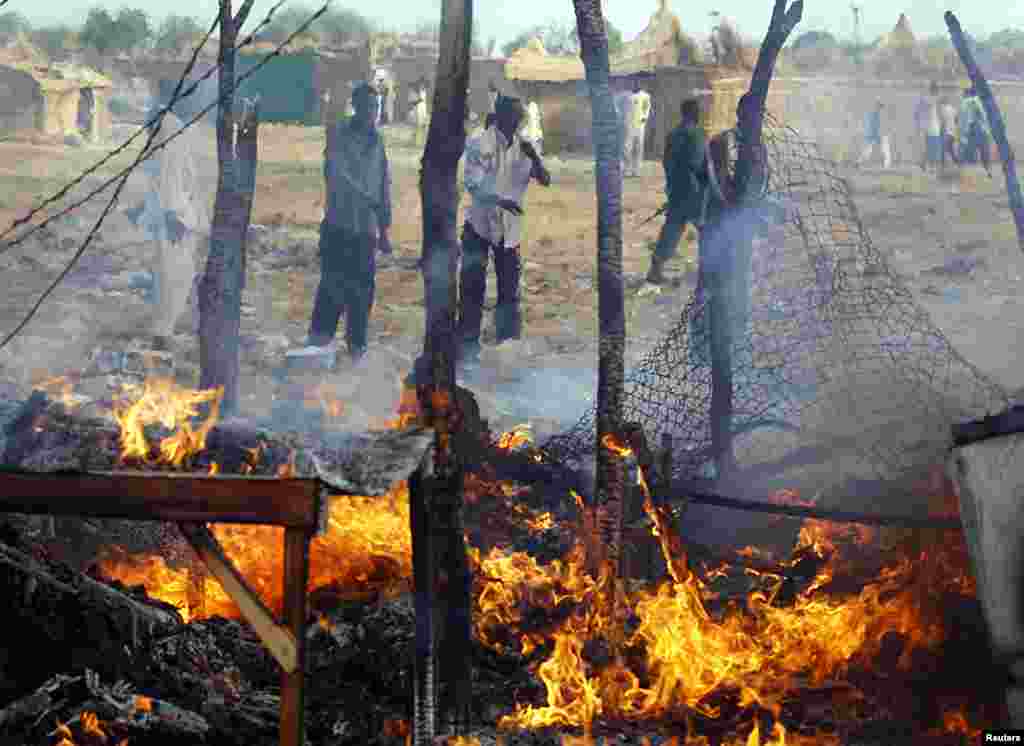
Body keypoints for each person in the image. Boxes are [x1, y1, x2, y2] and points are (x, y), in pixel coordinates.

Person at [458, 94, 551, 366]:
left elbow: (545, 180)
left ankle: (506, 343)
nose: (518, 123)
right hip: (480, 226)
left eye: (519, 119)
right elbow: (474, 184)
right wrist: (502, 200)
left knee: (509, 290)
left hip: (509, 230)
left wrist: (536, 159)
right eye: (513, 118)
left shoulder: (526, 147)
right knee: (472, 286)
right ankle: (467, 345)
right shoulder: (479, 143)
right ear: (500, 118)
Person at [306, 83, 392, 362]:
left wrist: (384, 227)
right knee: (332, 284)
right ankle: (319, 343)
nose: (372, 112)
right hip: (339, 224)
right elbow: (336, 174)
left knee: (363, 289)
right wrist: (368, 199)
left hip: (366, 229)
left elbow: (383, 184)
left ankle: (357, 345)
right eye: (367, 106)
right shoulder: (338, 134)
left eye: (376, 107)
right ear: (356, 106)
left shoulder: (377, 141)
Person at [128, 78, 212, 351]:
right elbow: (170, 174)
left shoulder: (169, 123)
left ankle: (165, 330)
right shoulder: (172, 125)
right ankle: (162, 333)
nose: (197, 101)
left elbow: (160, 172)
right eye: (192, 96)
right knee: (174, 274)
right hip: (176, 216)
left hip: (175, 211)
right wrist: (174, 213)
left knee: (174, 273)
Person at [646, 98, 707, 284]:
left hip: (676, 190)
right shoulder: (696, 134)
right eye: (698, 111)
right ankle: (709, 271)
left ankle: (655, 270)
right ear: (694, 113)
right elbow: (698, 164)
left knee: (672, 230)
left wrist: (673, 187)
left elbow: (667, 163)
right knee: (708, 230)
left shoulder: (673, 134)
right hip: (693, 192)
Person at [959, 86, 992, 176]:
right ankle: (987, 171)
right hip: (978, 129)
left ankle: (963, 171)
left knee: (967, 151)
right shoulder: (977, 101)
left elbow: (964, 118)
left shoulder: (967, 101)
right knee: (983, 151)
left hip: (973, 128)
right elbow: (982, 115)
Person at [624, 80, 652, 178]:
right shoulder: (628, 96)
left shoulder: (645, 96)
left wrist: (645, 117)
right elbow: (625, 110)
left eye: (638, 83)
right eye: (634, 83)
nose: (636, 85)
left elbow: (647, 107)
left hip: (640, 125)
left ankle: (637, 170)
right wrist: (625, 122)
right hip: (629, 125)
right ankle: (627, 169)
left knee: (639, 147)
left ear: (641, 84)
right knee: (627, 148)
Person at [913, 82, 942, 172]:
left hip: (932, 127)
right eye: (936, 90)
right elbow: (918, 112)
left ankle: (925, 163)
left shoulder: (927, 99)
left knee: (931, 148)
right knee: (932, 148)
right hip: (931, 127)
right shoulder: (929, 99)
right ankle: (928, 165)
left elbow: (917, 113)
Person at [857, 99, 891, 170]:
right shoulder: (873, 114)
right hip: (874, 135)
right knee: (868, 149)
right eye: (878, 106)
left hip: (879, 135)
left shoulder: (879, 114)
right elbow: (871, 125)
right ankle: (859, 161)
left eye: (880, 106)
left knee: (884, 149)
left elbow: (882, 126)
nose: (879, 108)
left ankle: (886, 165)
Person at [939, 94, 959, 169]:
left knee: (944, 148)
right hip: (953, 132)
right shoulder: (953, 109)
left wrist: (941, 131)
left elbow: (943, 122)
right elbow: (957, 119)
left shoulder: (943, 109)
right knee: (950, 149)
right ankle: (956, 161)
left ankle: (942, 164)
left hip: (947, 132)